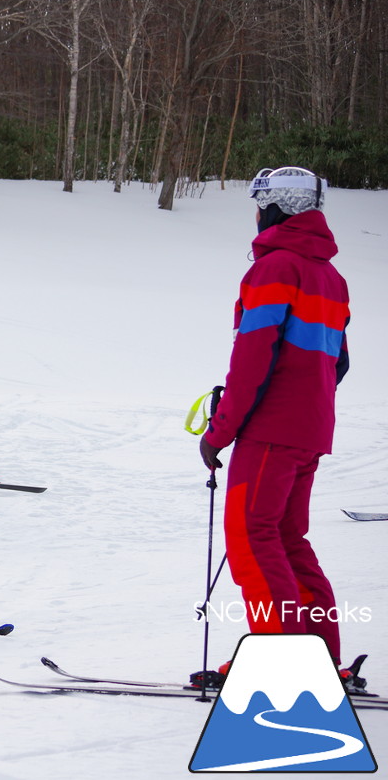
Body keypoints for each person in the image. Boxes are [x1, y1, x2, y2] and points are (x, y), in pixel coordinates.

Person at [198, 166, 362, 692]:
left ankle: (283, 664)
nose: (255, 213)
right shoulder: (329, 277)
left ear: (276, 208)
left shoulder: (275, 269)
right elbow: (338, 363)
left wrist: (220, 430)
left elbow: (253, 359)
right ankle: (318, 656)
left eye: (259, 202)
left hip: (271, 429)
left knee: (252, 537)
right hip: (308, 429)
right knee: (288, 538)